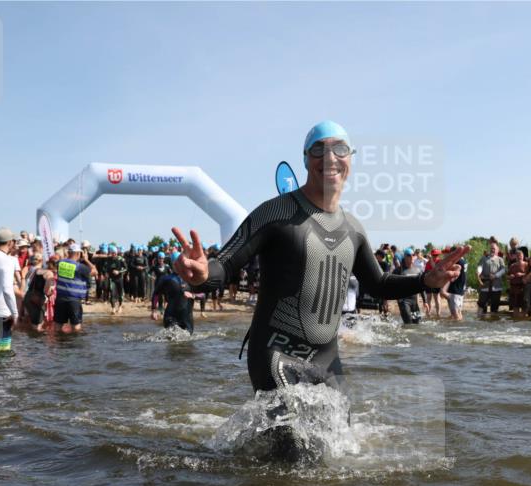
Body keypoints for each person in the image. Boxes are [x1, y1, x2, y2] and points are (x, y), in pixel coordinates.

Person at [170, 120, 468, 393]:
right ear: (304, 159)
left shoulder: (354, 229)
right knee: (299, 448)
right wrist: (205, 274)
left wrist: (426, 280)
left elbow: (378, 285)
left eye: (340, 149)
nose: (329, 158)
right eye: (317, 150)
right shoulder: (276, 212)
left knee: (340, 447)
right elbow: (226, 263)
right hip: (276, 353)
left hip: (327, 360)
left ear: (351, 158)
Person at [54, 242, 95, 334]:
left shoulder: (60, 263)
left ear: (68, 252)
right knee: (76, 326)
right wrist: (86, 260)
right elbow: (94, 271)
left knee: (58, 325)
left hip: (60, 298)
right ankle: (74, 346)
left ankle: (59, 345)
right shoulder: (80, 267)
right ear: (78, 253)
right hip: (74, 300)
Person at [151, 252, 196, 334]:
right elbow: (156, 293)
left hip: (187, 318)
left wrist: (192, 295)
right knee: (170, 340)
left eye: (180, 263)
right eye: (175, 263)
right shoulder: (166, 279)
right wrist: (154, 310)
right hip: (171, 315)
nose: (177, 265)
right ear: (172, 264)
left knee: (188, 342)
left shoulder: (191, 278)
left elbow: (203, 295)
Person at [394, 249, 424, 324]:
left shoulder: (418, 270)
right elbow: (389, 284)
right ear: (404, 257)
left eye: (413, 255)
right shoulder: (398, 271)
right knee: (408, 324)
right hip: (404, 301)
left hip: (414, 302)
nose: (411, 257)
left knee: (418, 323)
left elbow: (421, 286)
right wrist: (385, 300)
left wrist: (425, 301)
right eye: (408, 255)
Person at [477, 240, 506, 314]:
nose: (492, 250)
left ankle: (493, 322)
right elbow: (480, 266)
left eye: (494, 248)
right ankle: (481, 321)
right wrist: (478, 272)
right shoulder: (484, 258)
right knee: (482, 305)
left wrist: (495, 275)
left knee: (494, 307)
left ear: (497, 250)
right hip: (485, 285)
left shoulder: (500, 259)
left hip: (496, 286)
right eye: (491, 248)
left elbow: (503, 269)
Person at [445, 248, 467, 321]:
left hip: (455, 290)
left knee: (455, 314)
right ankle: (460, 328)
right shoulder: (463, 261)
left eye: (451, 254)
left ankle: (458, 329)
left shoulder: (457, 262)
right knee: (458, 313)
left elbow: (452, 276)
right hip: (460, 290)